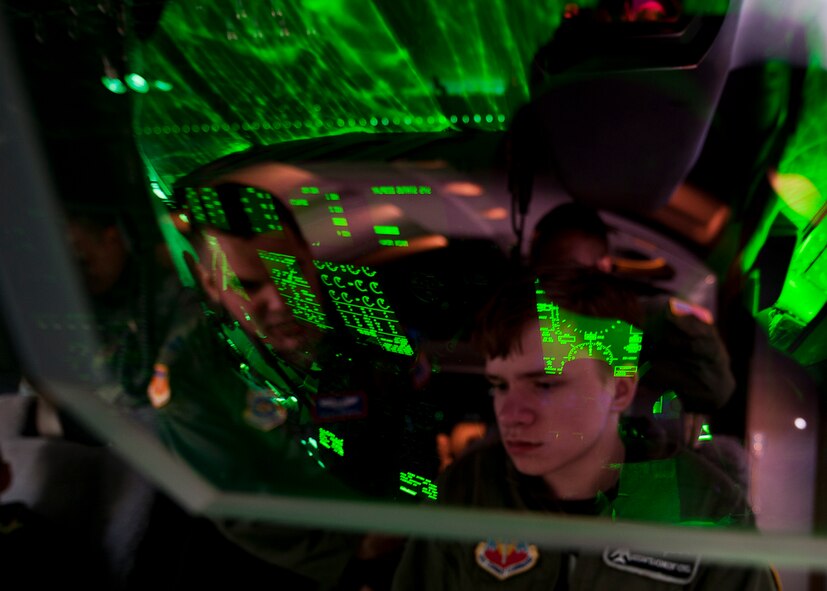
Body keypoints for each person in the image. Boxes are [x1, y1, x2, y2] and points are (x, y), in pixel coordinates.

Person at [391, 267, 777, 590]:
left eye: (544, 384)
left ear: (621, 390)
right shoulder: (467, 491)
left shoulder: (705, 509)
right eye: (500, 385)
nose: (510, 413)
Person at [527, 201, 748, 492]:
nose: (563, 290)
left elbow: (715, 389)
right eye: (553, 276)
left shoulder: (653, 325)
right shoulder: (532, 340)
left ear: (603, 268)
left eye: (572, 272)